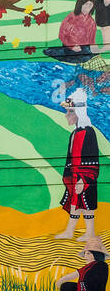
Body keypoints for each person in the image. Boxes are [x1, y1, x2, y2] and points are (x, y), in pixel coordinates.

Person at [56, 89, 100, 241]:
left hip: (84, 178)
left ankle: (90, 233)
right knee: (75, 204)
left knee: (87, 205)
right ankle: (70, 231)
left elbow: (93, 160)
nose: (66, 115)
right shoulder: (74, 134)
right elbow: (70, 159)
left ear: (78, 113)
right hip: (74, 178)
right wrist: (68, 177)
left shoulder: (89, 133)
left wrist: (84, 179)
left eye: (69, 112)